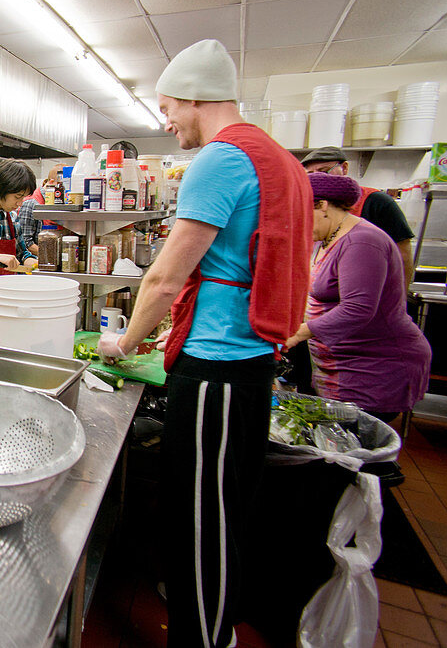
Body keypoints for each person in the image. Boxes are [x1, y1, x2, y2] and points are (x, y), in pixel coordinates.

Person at [97, 39, 311, 648]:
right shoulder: (278, 158)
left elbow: (166, 275)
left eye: (167, 107)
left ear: (193, 97)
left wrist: (127, 343)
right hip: (251, 364)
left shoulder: (220, 159)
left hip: (216, 370)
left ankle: (204, 639)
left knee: (200, 523)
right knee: (226, 512)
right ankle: (217, 624)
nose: (166, 121)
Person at [285, 173, 431, 421]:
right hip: (343, 363)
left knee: (356, 446)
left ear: (322, 205)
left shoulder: (361, 241)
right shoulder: (330, 238)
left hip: (373, 366)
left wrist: (297, 333)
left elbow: (358, 309)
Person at [300, 146, 415, 290]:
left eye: (324, 171)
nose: (318, 177)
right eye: (310, 174)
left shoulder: (376, 202)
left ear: (345, 168)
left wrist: (401, 294)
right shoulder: (312, 209)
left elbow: (403, 252)